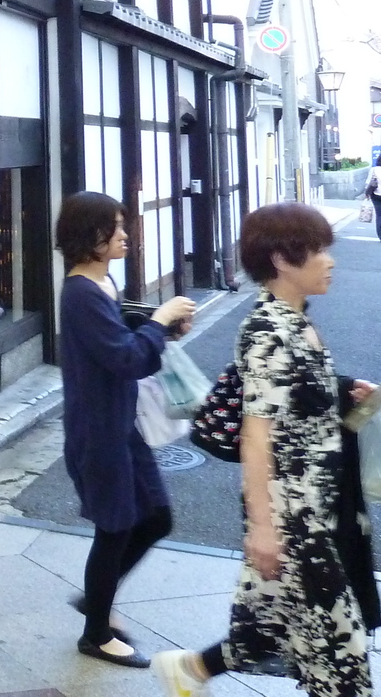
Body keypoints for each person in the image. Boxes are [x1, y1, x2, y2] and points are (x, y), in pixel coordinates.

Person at [152, 203, 379, 697]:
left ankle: (189, 670)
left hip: (317, 505)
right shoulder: (268, 332)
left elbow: (297, 402)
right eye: (317, 250)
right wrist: (262, 528)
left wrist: (340, 391)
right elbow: (257, 434)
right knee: (341, 654)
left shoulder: (297, 321)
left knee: (268, 621)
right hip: (294, 518)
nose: (329, 260)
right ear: (281, 259)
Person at [56, 191, 195, 669]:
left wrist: (160, 326)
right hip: (100, 433)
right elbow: (127, 357)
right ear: (87, 237)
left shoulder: (102, 284)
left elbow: (122, 334)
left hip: (122, 426)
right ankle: (96, 632)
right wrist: (158, 322)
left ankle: (96, 602)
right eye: (113, 228)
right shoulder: (79, 293)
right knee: (114, 530)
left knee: (156, 518)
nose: (124, 234)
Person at [363, 169, 380, 241]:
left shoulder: (374, 170)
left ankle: (380, 234)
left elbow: (368, 182)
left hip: (376, 195)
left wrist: (367, 193)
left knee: (379, 215)